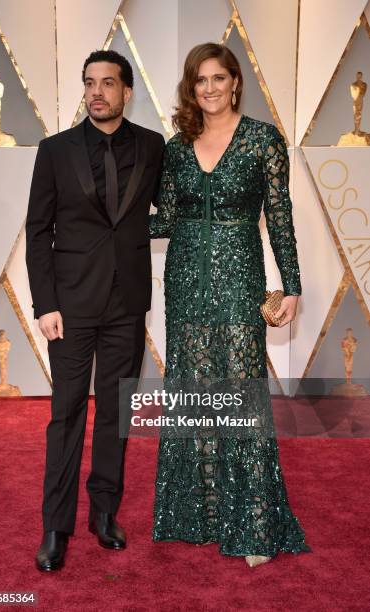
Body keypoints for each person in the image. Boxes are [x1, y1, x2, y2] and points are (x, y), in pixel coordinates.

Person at [149, 43, 311, 567]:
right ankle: (198, 513)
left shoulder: (265, 141)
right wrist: (103, 220)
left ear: (235, 81)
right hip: (185, 279)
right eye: (200, 80)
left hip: (240, 277)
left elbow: (280, 217)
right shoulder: (177, 147)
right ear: (191, 87)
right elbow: (165, 219)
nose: (210, 88)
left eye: (219, 78)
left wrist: (292, 285)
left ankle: (253, 522)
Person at [26, 49, 165, 571]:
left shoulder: (153, 147)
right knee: (65, 416)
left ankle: (104, 514)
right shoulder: (55, 150)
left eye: (108, 83)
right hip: (70, 306)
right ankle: (55, 528)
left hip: (127, 303)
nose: (97, 92)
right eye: (90, 83)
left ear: (127, 91)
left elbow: (169, 209)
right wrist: (45, 304)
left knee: (116, 413)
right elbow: (39, 231)